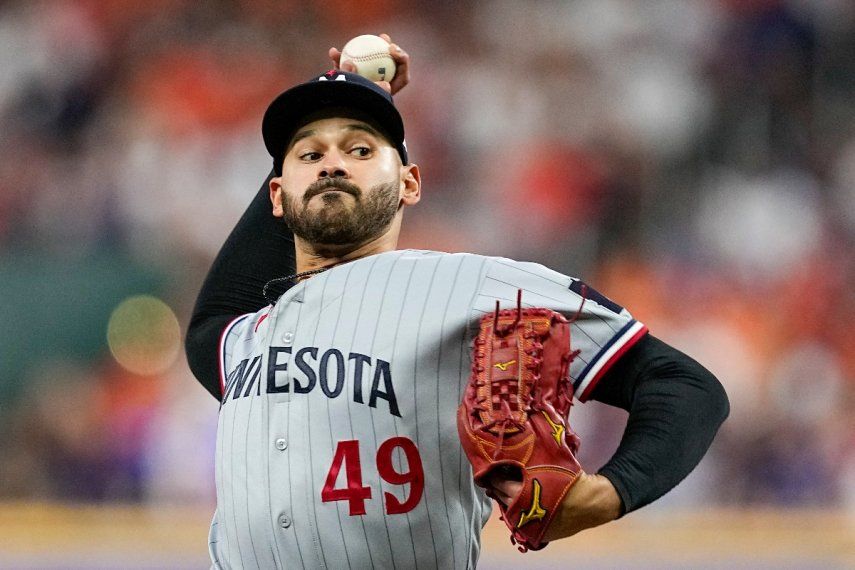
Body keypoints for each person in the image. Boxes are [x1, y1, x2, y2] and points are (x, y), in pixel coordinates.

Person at [186, 37, 729, 569]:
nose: (331, 166)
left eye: (359, 150)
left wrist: (611, 492)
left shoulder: (468, 286)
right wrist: (358, 87)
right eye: (310, 154)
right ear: (277, 195)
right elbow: (210, 322)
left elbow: (685, 387)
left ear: (409, 183)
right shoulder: (250, 335)